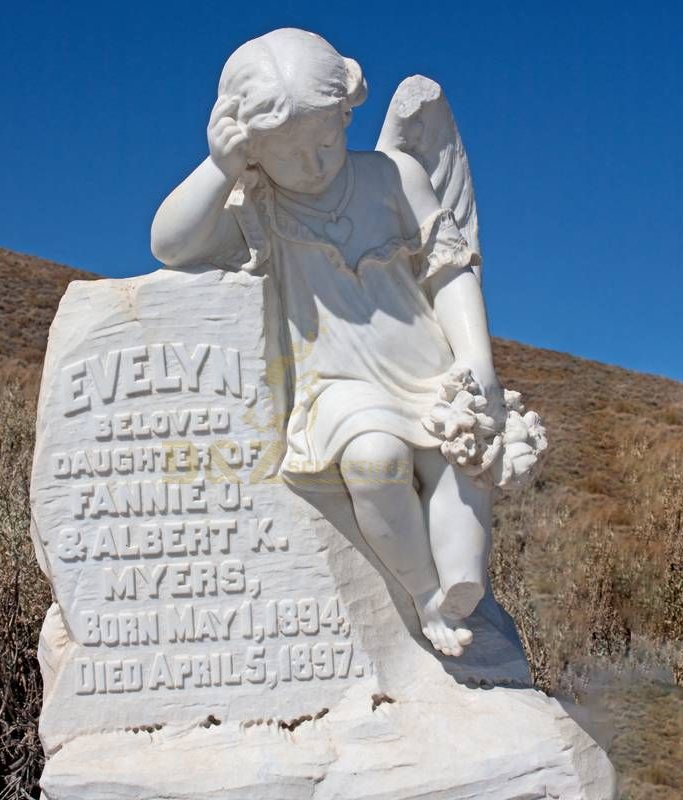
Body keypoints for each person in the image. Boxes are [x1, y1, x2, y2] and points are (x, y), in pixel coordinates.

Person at [151, 28, 507, 658]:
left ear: (348, 112)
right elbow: (169, 243)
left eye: (326, 140)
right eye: (289, 154)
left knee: (464, 460)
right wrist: (217, 167)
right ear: (253, 152)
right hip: (337, 383)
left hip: (426, 364)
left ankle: (461, 588)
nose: (314, 165)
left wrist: (476, 359)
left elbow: (450, 269)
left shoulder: (395, 177)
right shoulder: (256, 204)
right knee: (375, 461)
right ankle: (423, 594)